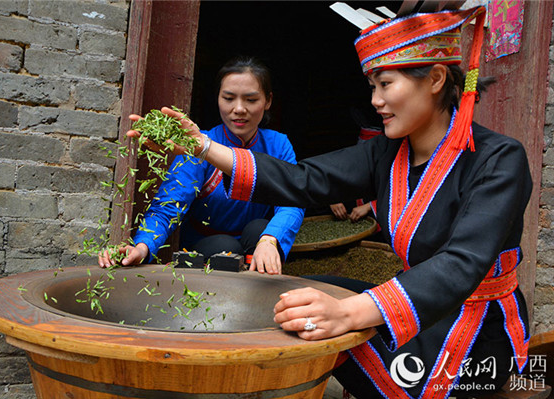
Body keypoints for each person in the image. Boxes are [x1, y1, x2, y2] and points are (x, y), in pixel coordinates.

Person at [134, 5, 533, 398]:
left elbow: (461, 263)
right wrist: (202, 146)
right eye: (372, 86)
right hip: (410, 303)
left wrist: (348, 312)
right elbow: (303, 181)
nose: (375, 100)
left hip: (477, 331)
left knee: (324, 322)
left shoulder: (499, 159)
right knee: (281, 301)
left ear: (435, 78)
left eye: (385, 84)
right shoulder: (386, 153)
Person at [99, 57, 304, 275]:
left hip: (253, 240)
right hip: (207, 243)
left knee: (260, 230)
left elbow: (292, 201)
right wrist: (142, 246)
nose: (239, 109)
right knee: (225, 248)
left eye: (251, 100)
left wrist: (271, 238)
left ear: (268, 101)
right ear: (218, 98)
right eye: (228, 98)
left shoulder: (278, 145)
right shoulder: (197, 143)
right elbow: (169, 205)